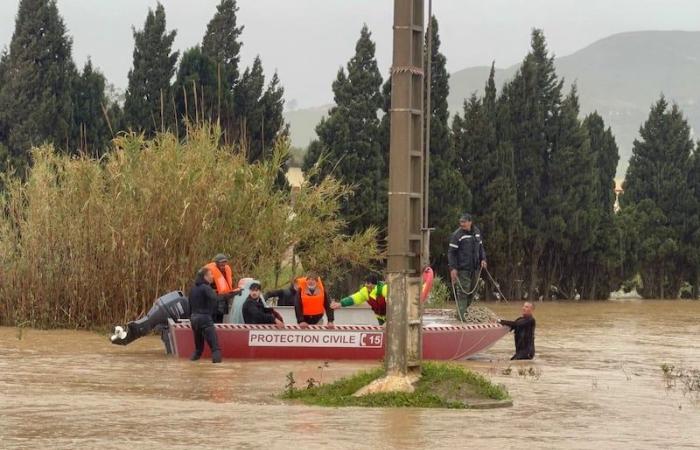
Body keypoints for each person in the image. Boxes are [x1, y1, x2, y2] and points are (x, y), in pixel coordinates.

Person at [188, 266, 234, 363]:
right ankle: (216, 375)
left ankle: (190, 365)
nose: (213, 277)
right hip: (205, 319)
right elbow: (217, 299)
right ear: (205, 277)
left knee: (198, 350)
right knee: (215, 349)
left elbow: (190, 306)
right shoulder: (206, 288)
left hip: (194, 319)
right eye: (211, 275)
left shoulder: (192, 288)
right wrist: (232, 294)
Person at [447, 213, 487, 321]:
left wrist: (483, 259)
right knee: (464, 292)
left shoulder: (477, 232)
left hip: (475, 268)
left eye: (464, 222)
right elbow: (451, 253)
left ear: (470, 222)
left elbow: (481, 248)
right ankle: (460, 317)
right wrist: (453, 268)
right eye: (460, 222)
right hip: (462, 268)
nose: (462, 224)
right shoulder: (457, 235)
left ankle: (462, 312)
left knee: (472, 292)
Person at [204, 253, 240, 323]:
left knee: (220, 320)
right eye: (221, 264)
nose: (223, 266)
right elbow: (205, 288)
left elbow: (227, 287)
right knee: (213, 320)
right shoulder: (210, 273)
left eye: (224, 264)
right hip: (213, 301)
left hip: (223, 300)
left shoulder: (227, 270)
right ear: (216, 263)